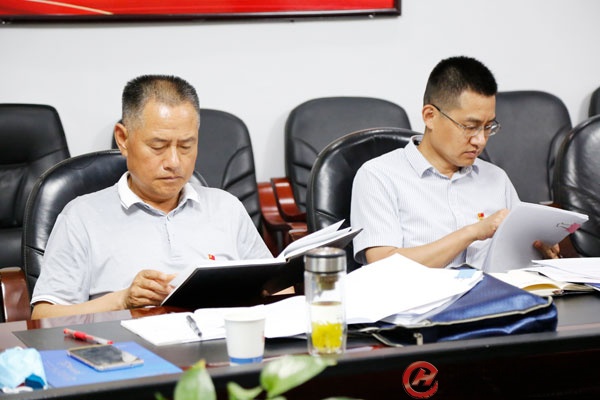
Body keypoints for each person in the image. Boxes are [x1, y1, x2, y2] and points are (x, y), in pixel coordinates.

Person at [31, 75, 272, 319]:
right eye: (158, 146)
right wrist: (121, 300)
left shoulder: (227, 208)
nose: (174, 162)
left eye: (186, 146)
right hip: (127, 342)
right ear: (123, 139)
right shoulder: (82, 217)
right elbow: (42, 317)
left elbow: (277, 289)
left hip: (223, 340)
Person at [350, 56, 559, 269]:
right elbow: (382, 265)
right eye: (470, 127)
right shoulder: (379, 176)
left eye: (488, 126)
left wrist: (538, 249)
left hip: (498, 288)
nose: (480, 140)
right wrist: (473, 232)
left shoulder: (496, 178)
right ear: (430, 116)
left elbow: (517, 255)